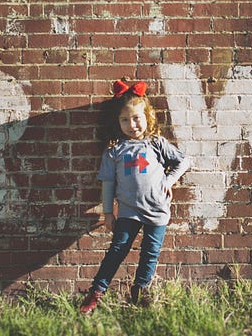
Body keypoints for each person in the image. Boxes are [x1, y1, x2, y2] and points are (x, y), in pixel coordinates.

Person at [78, 79, 191, 314]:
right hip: (129, 210)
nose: (132, 125)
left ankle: (140, 292)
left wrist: (169, 181)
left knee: (150, 253)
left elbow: (183, 161)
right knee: (117, 250)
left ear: (147, 116)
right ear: (117, 122)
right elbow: (108, 183)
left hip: (158, 210)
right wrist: (108, 212)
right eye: (125, 120)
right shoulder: (114, 149)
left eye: (137, 118)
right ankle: (96, 293)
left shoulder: (156, 143)